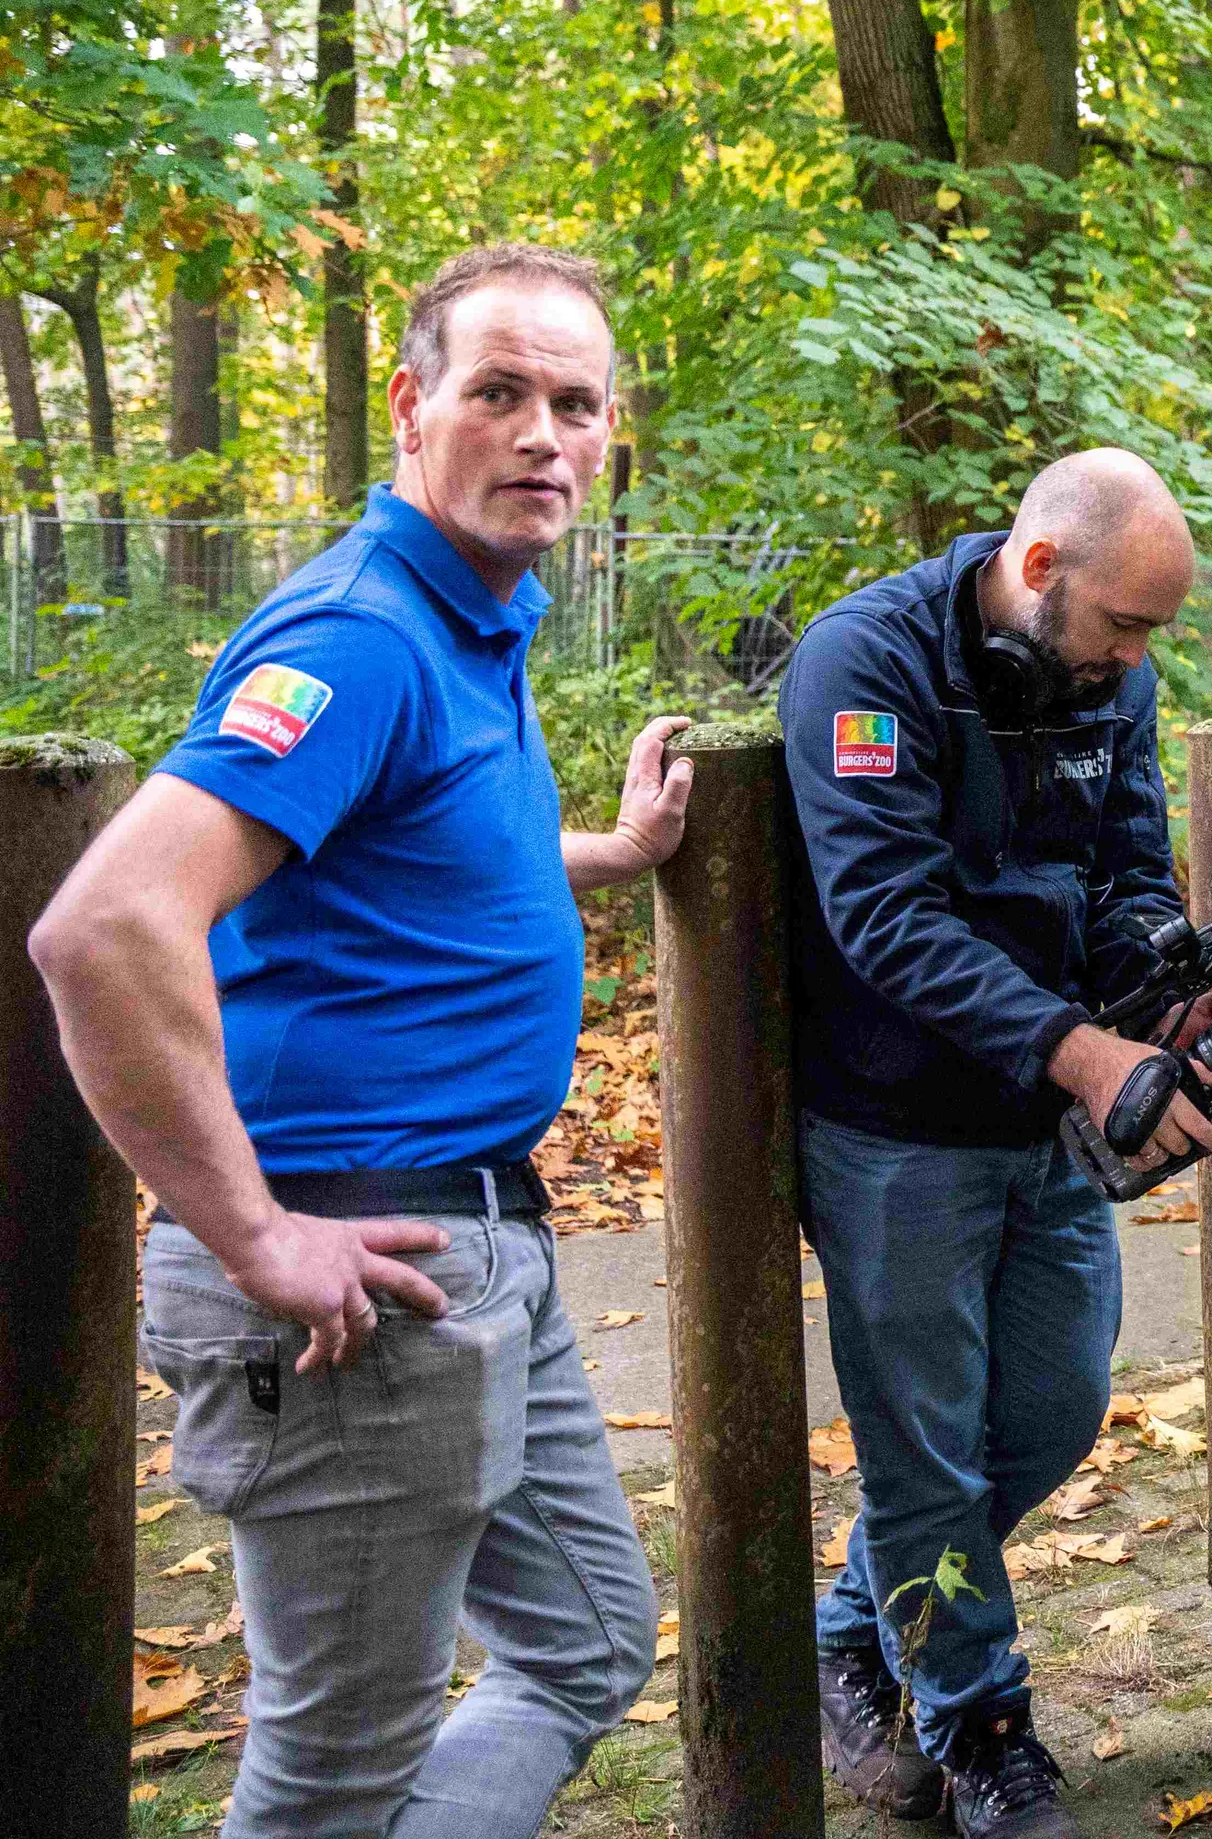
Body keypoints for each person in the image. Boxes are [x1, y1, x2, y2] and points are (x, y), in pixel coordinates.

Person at [28, 242, 692, 1839]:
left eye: (578, 405)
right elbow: (104, 929)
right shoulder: (367, 637)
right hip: (359, 1285)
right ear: (412, 407)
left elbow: (398, 851)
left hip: (481, 1251)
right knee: (332, 1782)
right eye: (502, 392)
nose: (544, 432)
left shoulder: (474, 618)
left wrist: (601, 853)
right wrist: (254, 1235)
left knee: (591, 1638)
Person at [778, 447, 1212, 1839]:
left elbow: (1121, 868)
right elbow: (885, 920)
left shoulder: (1117, 679)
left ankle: (854, 1627)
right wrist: (1089, 1053)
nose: (1135, 659)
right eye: (1123, 626)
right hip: (893, 1129)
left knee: (1049, 1415)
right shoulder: (862, 663)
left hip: (1047, 1117)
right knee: (924, 1457)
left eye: (1152, 634)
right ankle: (981, 1729)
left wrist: (1165, 996)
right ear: (1039, 570)